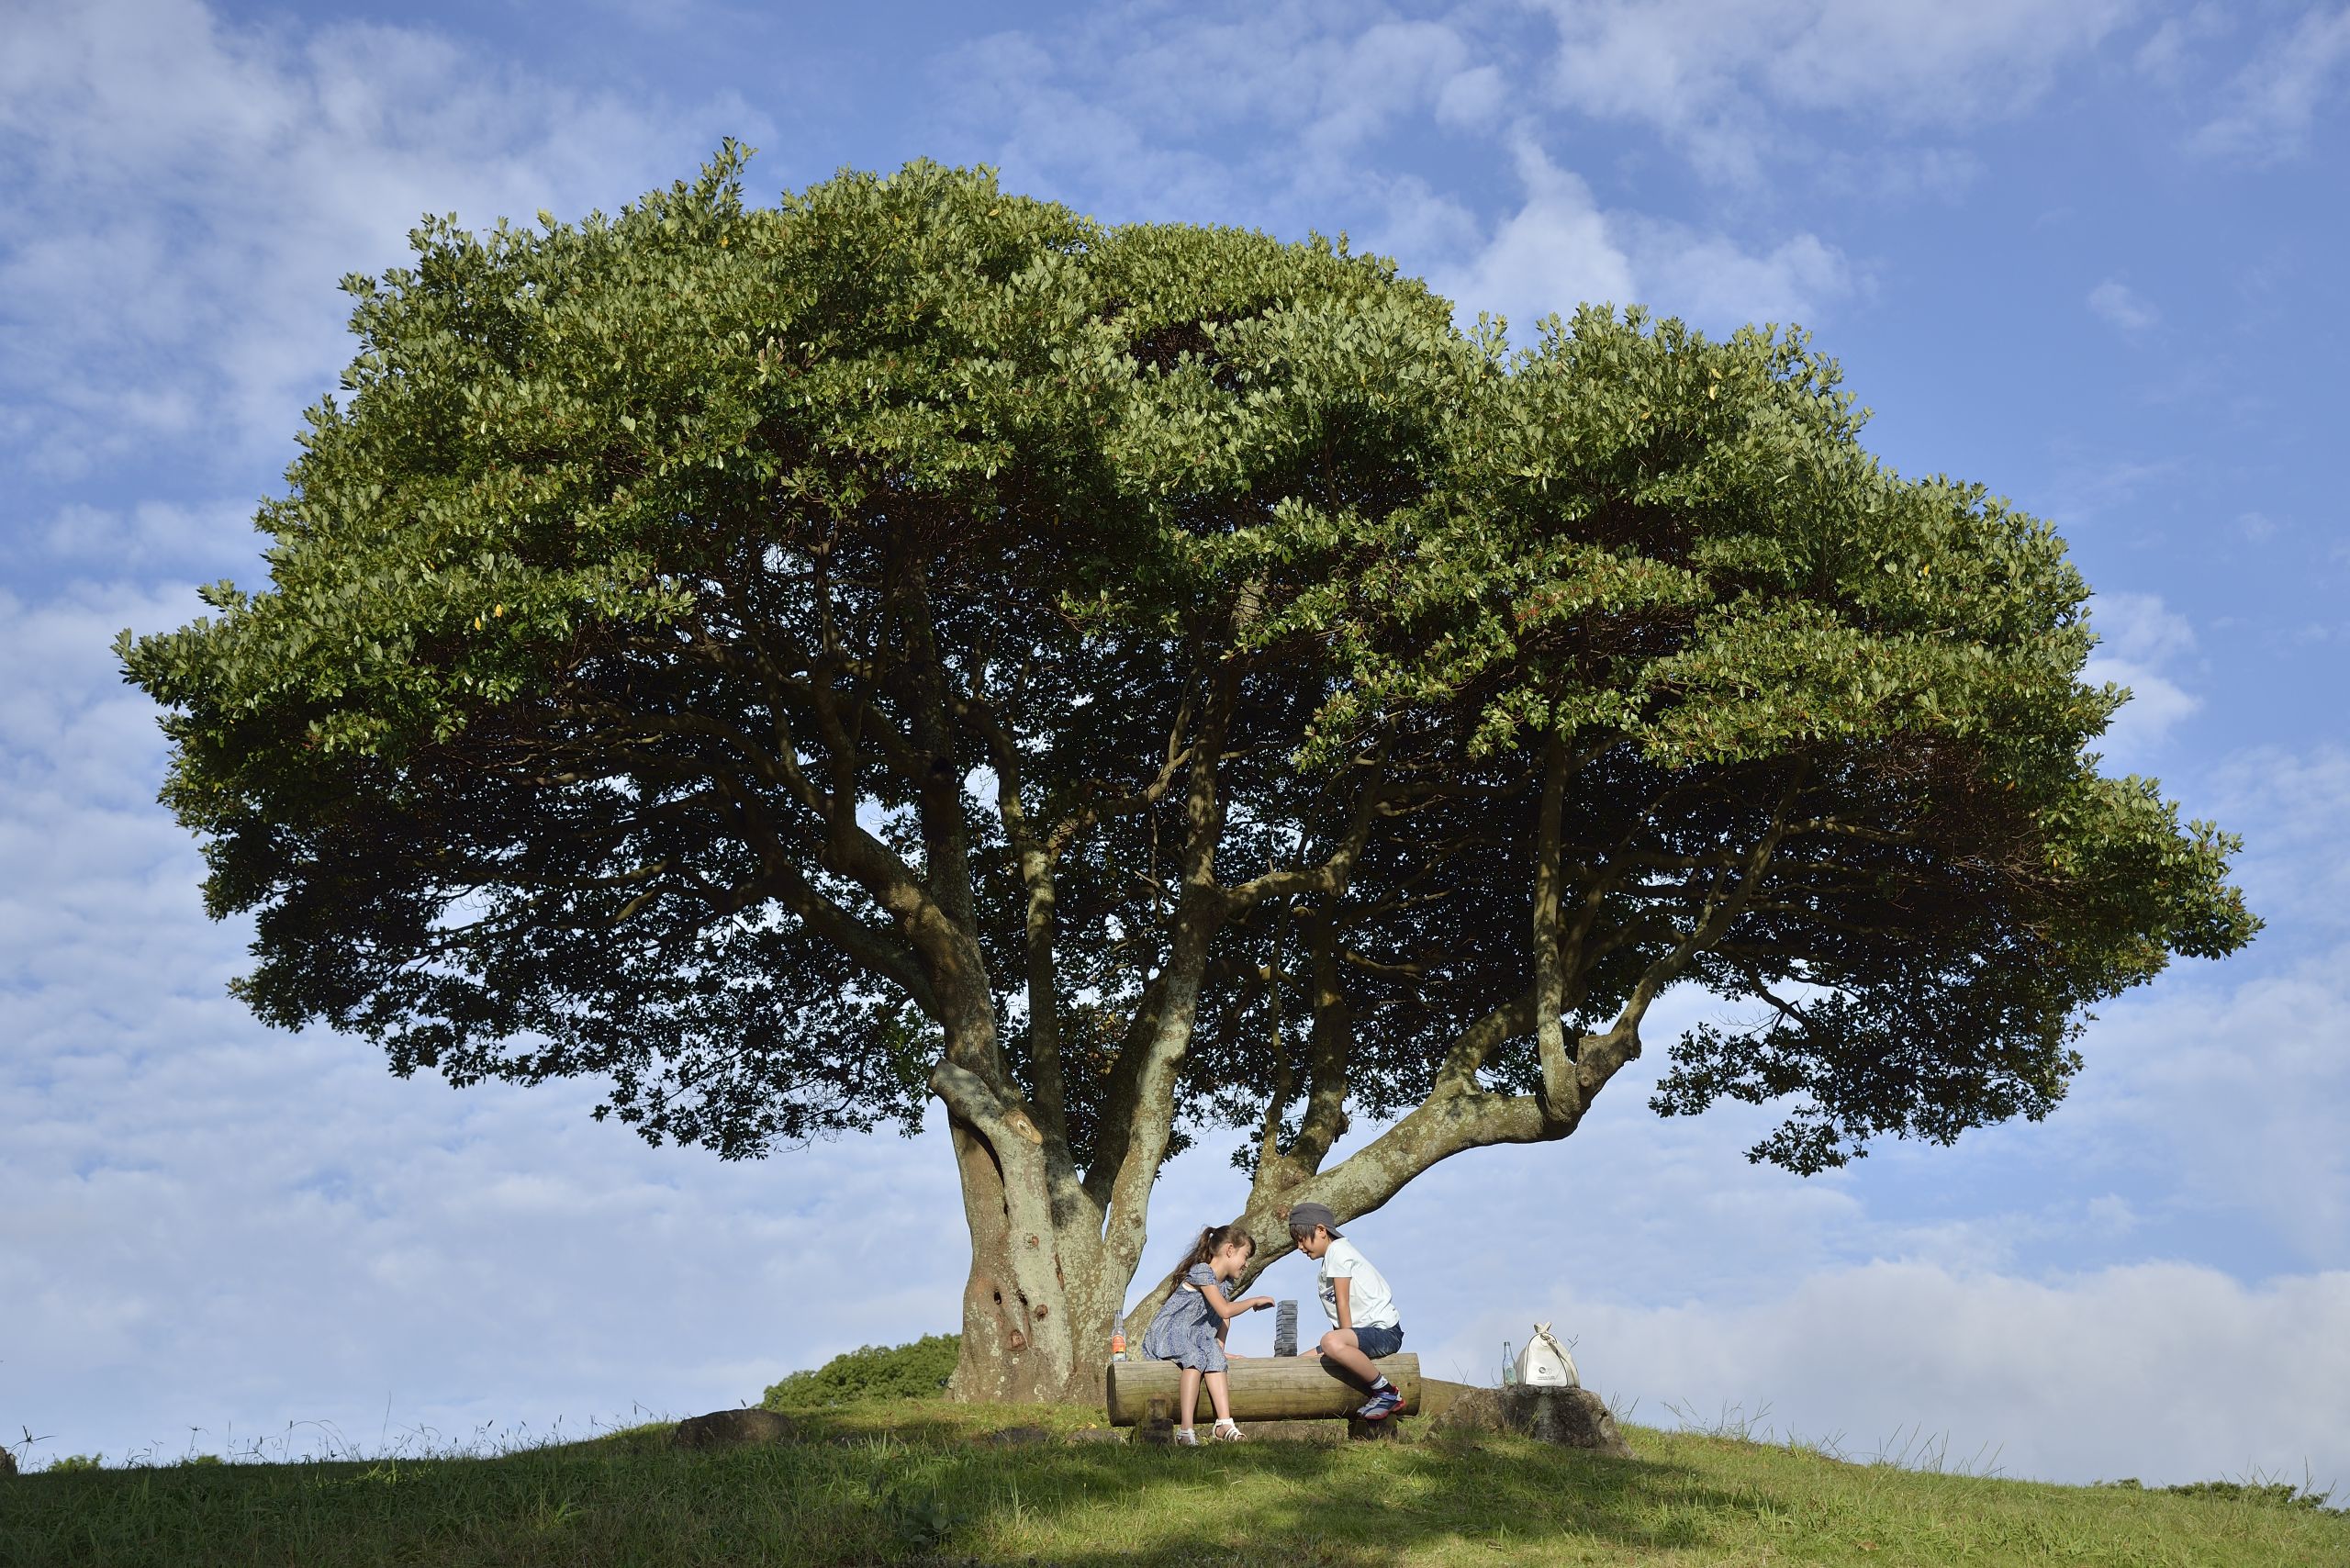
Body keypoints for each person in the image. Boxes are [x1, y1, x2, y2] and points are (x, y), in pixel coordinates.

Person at [1136, 1222, 1274, 1444]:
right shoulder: (1202, 1271)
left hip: (1195, 1338)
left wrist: (1219, 1351)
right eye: (1245, 1256)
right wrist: (1253, 1301)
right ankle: (1186, 1431)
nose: (1246, 1264)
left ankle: (1224, 1423)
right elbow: (1225, 1309)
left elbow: (1223, 1318)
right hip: (1170, 1332)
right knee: (1195, 1357)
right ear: (1230, 1250)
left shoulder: (1224, 1283)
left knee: (1211, 1357)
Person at [1288, 1201, 1405, 1419]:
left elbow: (1342, 1303)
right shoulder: (1327, 1264)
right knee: (1294, 1365)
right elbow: (1338, 1314)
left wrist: (1339, 1341)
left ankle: (1386, 1392)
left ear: (1321, 1230)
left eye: (1302, 1239)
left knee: (1330, 1341)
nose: (1299, 1247)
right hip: (1359, 1335)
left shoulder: (1339, 1252)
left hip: (1383, 1332)